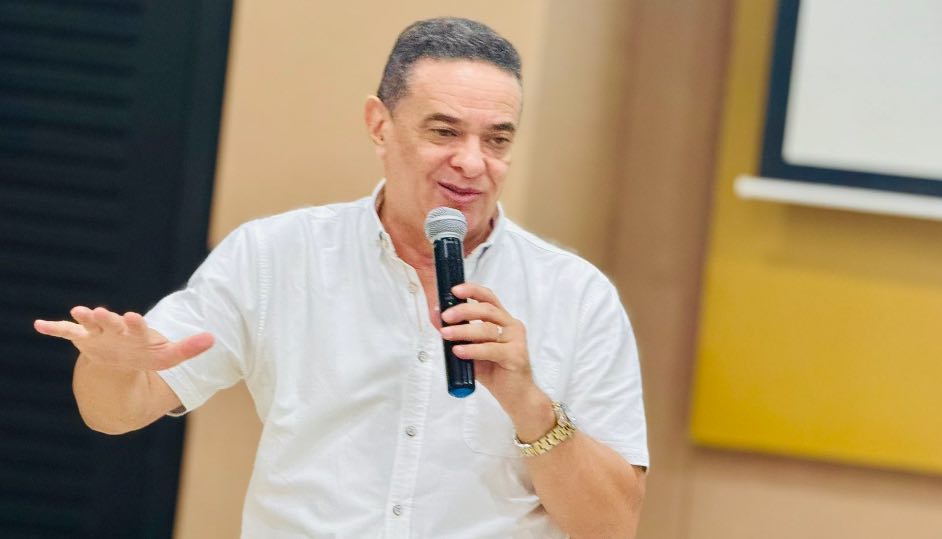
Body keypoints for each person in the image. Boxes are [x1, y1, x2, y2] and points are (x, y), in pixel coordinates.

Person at [34, 17, 648, 538]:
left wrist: (528, 402)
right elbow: (116, 413)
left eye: (497, 140)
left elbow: (613, 525)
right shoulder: (275, 256)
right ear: (379, 124)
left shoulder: (578, 297)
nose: (471, 162)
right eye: (444, 132)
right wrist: (110, 367)